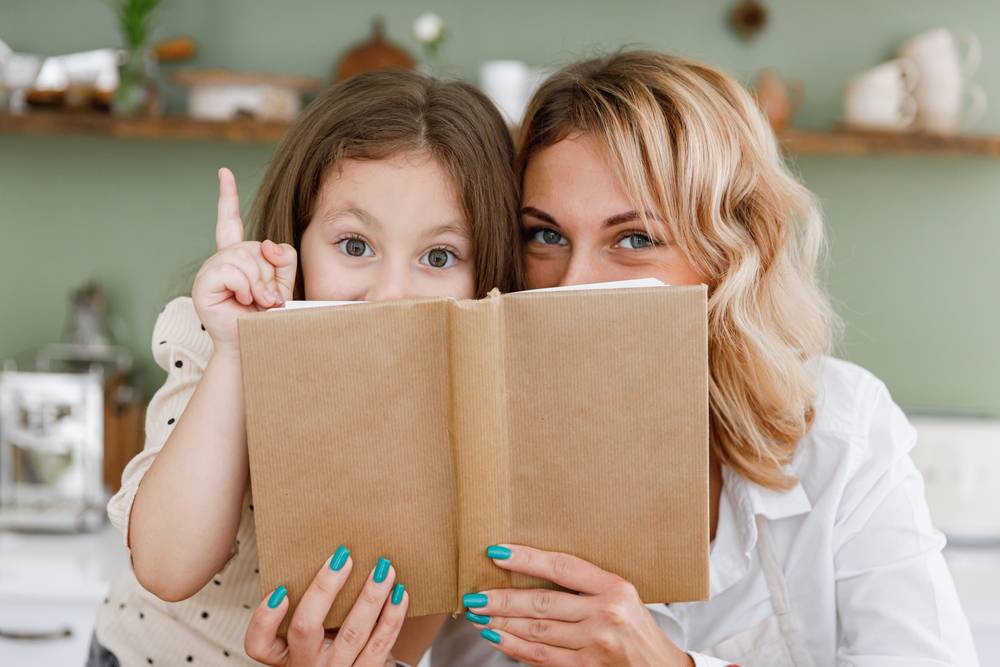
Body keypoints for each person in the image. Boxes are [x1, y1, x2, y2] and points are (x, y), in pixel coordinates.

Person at [88, 69, 521, 667]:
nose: (390, 294)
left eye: (439, 256)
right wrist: (239, 353)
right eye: (354, 245)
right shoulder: (218, 338)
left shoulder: (465, 402)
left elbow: (409, 629)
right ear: (295, 240)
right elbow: (165, 566)